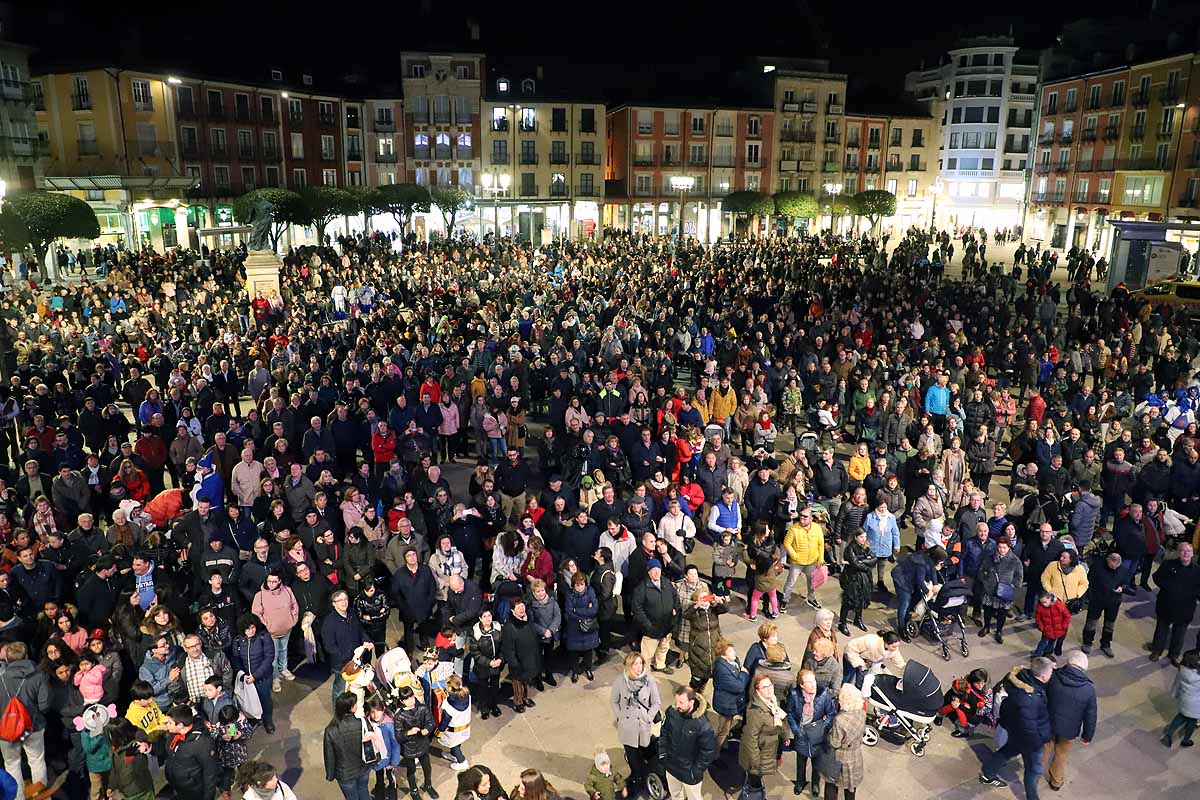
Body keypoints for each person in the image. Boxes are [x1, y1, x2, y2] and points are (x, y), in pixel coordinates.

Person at [979, 657, 1054, 798]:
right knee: (1033, 770)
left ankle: (988, 772)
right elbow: (1029, 726)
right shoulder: (1031, 698)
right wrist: (1038, 743)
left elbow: (1007, 708)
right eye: (1051, 673)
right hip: (1030, 740)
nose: (1052, 675)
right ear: (1043, 676)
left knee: (1007, 751)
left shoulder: (1020, 682)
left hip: (1015, 731)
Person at [0, 641, 50, 800]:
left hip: (6, 730)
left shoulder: (1, 677)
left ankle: (17, 797)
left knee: (12, 763)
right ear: (26, 656)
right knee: (36, 761)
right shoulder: (38, 675)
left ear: (7, 659)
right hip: (31, 728)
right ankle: (41, 796)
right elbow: (45, 705)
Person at [1043, 651, 1097, 792]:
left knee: (1044, 749)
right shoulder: (1088, 689)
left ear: (1068, 662)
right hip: (1069, 731)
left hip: (1049, 724)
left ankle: (1034, 773)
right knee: (1061, 755)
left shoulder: (1054, 677)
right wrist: (1087, 736)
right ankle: (1056, 781)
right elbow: (1090, 715)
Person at [610, 652, 660, 794]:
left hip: (644, 725)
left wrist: (648, 717)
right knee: (632, 756)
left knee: (645, 749)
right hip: (627, 727)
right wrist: (620, 716)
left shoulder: (649, 680)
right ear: (628, 666)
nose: (639, 667)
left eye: (640, 663)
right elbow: (614, 701)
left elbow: (656, 702)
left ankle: (645, 773)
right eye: (635, 664)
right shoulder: (620, 681)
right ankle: (637, 777)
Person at [658, 685, 716, 800]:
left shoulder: (702, 724)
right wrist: (663, 753)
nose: (677, 705)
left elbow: (708, 752)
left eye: (681, 702)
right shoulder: (672, 712)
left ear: (691, 702)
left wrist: (695, 771)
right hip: (671, 767)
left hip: (689, 773)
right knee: (675, 795)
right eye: (676, 701)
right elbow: (664, 733)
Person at [786, 669, 836, 798]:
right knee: (801, 761)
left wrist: (822, 727)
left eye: (813, 681)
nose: (813, 684)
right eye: (809, 682)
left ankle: (815, 783)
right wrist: (796, 730)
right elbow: (790, 713)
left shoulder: (824, 694)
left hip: (817, 734)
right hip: (802, 733)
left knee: (817, 762)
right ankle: (800, 782)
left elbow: (831, 713)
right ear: (801, 685)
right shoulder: (794, 694)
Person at [1148, 542, 1200, 665]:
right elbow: (1157, 577)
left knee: (1179, 633)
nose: (1186, 553)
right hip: (1166, 604)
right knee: (1161, 629)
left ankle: (1174, 655)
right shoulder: (1168, 564)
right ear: (1178, 552)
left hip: (1185, 608)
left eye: (1189, 551)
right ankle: (1156, 651)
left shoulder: (1198, 571)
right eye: (1183, 550)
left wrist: (1191, 594)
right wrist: (1169, 588)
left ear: (1192, 554)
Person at [739, 673, 789, 797]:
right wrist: (755, 764)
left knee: (757, 780)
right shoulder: (755, 711)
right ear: (757, 691)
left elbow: (780, 720)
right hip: (758, 754)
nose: (769, 689)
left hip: (768, 749)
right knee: (754, 782)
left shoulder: (772, 702)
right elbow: (751, 739)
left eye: (770, 685)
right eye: (764, 687)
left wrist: (785, 735)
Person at [159, 706, 221, 800]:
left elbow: (210, 774)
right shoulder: (173, 733)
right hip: (177, 786)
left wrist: (208, 797)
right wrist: (148, 748)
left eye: (169, 723)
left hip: (193, 791)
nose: (166, 725)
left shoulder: (203, 743)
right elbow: (167, 752)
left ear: (180, 725)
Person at [819, 683, 866, 800]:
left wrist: (827, 733)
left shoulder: (839, 720)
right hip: (855, 755)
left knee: (831, 783)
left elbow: (835, 743)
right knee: (851, 786)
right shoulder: (862, 714)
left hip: (840, 758)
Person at [631, 558, 678, 674]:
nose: (656, 572)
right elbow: (637, 609)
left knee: (663, 647)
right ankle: (644, 673)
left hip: (666, 625)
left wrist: (675, 610)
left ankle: (660, 665)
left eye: (658, 569)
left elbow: (675, 597)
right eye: (653, 570)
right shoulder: (641, 588)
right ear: (648, 572)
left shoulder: (666, 583)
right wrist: (648, 625)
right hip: (651, 628)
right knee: (647, 654)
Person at [232, 613, 277, 734]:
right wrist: (242, 675)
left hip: (262, 678)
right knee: (250, 702)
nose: (251, 631)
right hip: (247, 679)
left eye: (253, 627)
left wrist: (256, 676)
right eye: (247, 628)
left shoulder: (264, 637)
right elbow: (236, 659)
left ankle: (268, 721)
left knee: (265, 700)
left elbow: (269, 658)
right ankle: (255, 720)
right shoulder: (237, 641)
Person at [324, 692, 372, 800]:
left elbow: (329, 756)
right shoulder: (363, 722)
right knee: (364, 792)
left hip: (344, 774)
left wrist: (330, 775)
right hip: (363, 768)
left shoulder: (331, 730)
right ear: (351, 708)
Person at [392, 686, 438, 799]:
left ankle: (428, 785)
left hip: (423, 744)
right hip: (409, 748)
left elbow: (430, 721)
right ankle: (413, 790)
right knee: (411, 770)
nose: (410, 700)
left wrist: (427, 729)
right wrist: (408, 732)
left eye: (412, 697)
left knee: (427, 767)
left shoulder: (423, 708)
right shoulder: (399, 716)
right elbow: (398, 736)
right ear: (402, 701)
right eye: (407, 699)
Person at [976, 535, 1023, 645]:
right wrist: (985, 581)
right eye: (1000, 547)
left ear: (1009, 547)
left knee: (1002, 613)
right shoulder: (990, 557)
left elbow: (1019, 576)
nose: (1002, 550)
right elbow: (982, 570)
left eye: (1004, 547)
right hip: (990, 590)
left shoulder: (1015, 560)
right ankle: (986, 627)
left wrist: (1012, 586)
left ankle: (999, 631)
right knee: (987, 610)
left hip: (1004, 592)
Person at [500, 597, 541, 713]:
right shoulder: (509, 626)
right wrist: (513, 663)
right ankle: (518, 702)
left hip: (529, 657)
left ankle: (525, 698)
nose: (521, 609)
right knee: (518, 682)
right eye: (518, 607)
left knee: (526, 680)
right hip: (518, 660)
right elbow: (508, 648)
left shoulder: (528, 620)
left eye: (522, 606)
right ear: (513, 611)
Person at [1081, 551, 1125, 658]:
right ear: (1108, 560)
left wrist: (1122, 588)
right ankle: (1087, 642)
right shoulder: (1097, 566)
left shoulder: (1122, 569)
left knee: (1109, 625)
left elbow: (1127, 582)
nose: (1114, 568)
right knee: (1091, 623)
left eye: (1117, 567)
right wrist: (1090, 597)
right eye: (1112, 566)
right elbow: (1088, 581)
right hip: (1097, 600)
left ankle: (1106, 644)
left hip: (1113, 602)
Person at [782, 508, 825, 611]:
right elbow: (787, 543)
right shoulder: (794, 529)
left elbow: (821, 544)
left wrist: (820, 559)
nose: (802, 518)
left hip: (812, 561)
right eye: (801, 516)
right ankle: (785, 600)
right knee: (790, 582)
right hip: (797, 562)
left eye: (805, 517)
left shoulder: (817, 528)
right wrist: (794, 556)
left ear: (811, 518)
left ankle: (811, 598)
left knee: (812, 582)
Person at [711, 640, 749, 750]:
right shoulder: (721, 669)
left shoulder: (733, 661)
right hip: (725, 704)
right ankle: (716, 751)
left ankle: (723, 744)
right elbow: (738, 686)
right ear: (723, 654)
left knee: (727, 726)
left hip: (731, 703)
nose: (734, 653)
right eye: (730, 651)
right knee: (723, 729)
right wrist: (743, 673)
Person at [837, 528, 876, 636]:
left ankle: (858, 619)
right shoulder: (850, 549)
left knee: (861, 598)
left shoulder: (865, 546)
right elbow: (855, 564)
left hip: (863, 578)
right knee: (848, 601)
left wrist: (863, 561)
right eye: (861, 537)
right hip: (852, 578)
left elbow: (874, 559)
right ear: (855, 537)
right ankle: (842, 623)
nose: (864, 539)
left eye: (864, 536)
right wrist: (866, 563)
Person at [1161, 649, 1200, 748]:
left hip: (1184, 702)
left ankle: (1168, 736)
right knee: (1191, 723)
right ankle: (1186, 740)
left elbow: (1176, 685)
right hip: (1196, 706)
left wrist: (1174, 695)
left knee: (1179, 718)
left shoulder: (1182, 672)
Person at [234, 760, 300, 800]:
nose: (276, 780)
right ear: (259, 782)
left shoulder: (281, 786)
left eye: (275, 776)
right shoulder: (249, 798)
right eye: (271, 779)